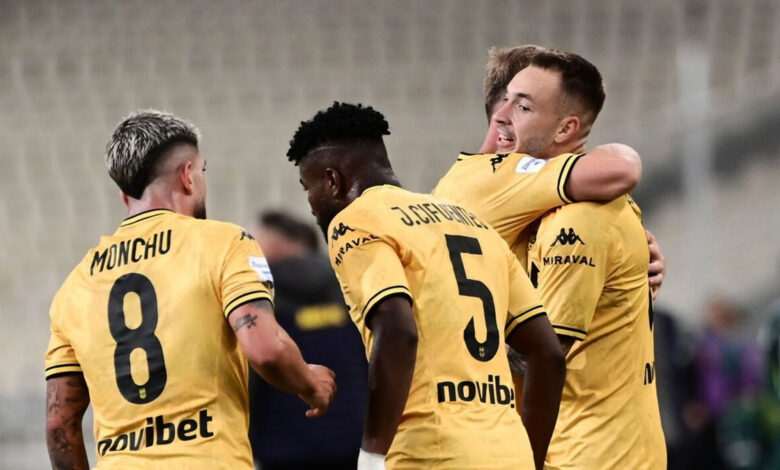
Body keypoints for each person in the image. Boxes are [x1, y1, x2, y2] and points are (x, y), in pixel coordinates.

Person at [44, 110, 336, 469]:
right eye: (202, 170)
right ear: (187, 175)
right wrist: (309, 383)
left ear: (124, 195)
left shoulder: (75, 284)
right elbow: (264, 349)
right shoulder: (223, 243)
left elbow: (59, 425)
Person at [287, 102, 566, 470]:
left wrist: (371, 455)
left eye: (308, 189)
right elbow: (548, 353)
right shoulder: (473, 224)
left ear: (332, 181)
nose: (312, 206)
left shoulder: (356, 221)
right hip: (508, 452)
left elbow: (398, 330)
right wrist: (530, 460)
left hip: (430, 452)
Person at [490, 49, 665, 468]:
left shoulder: (577, 219)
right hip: (605, 446)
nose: (503, 115)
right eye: (507, 100)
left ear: (566, 127)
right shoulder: (571, 203)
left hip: (591, 455)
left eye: (523, 106)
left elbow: (545, 354)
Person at [248, 211, 367, 469]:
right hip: (353, 440)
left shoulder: (257, 295)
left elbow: (253, 373)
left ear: (283, 242)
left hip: (282, 445)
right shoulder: (349, 285)